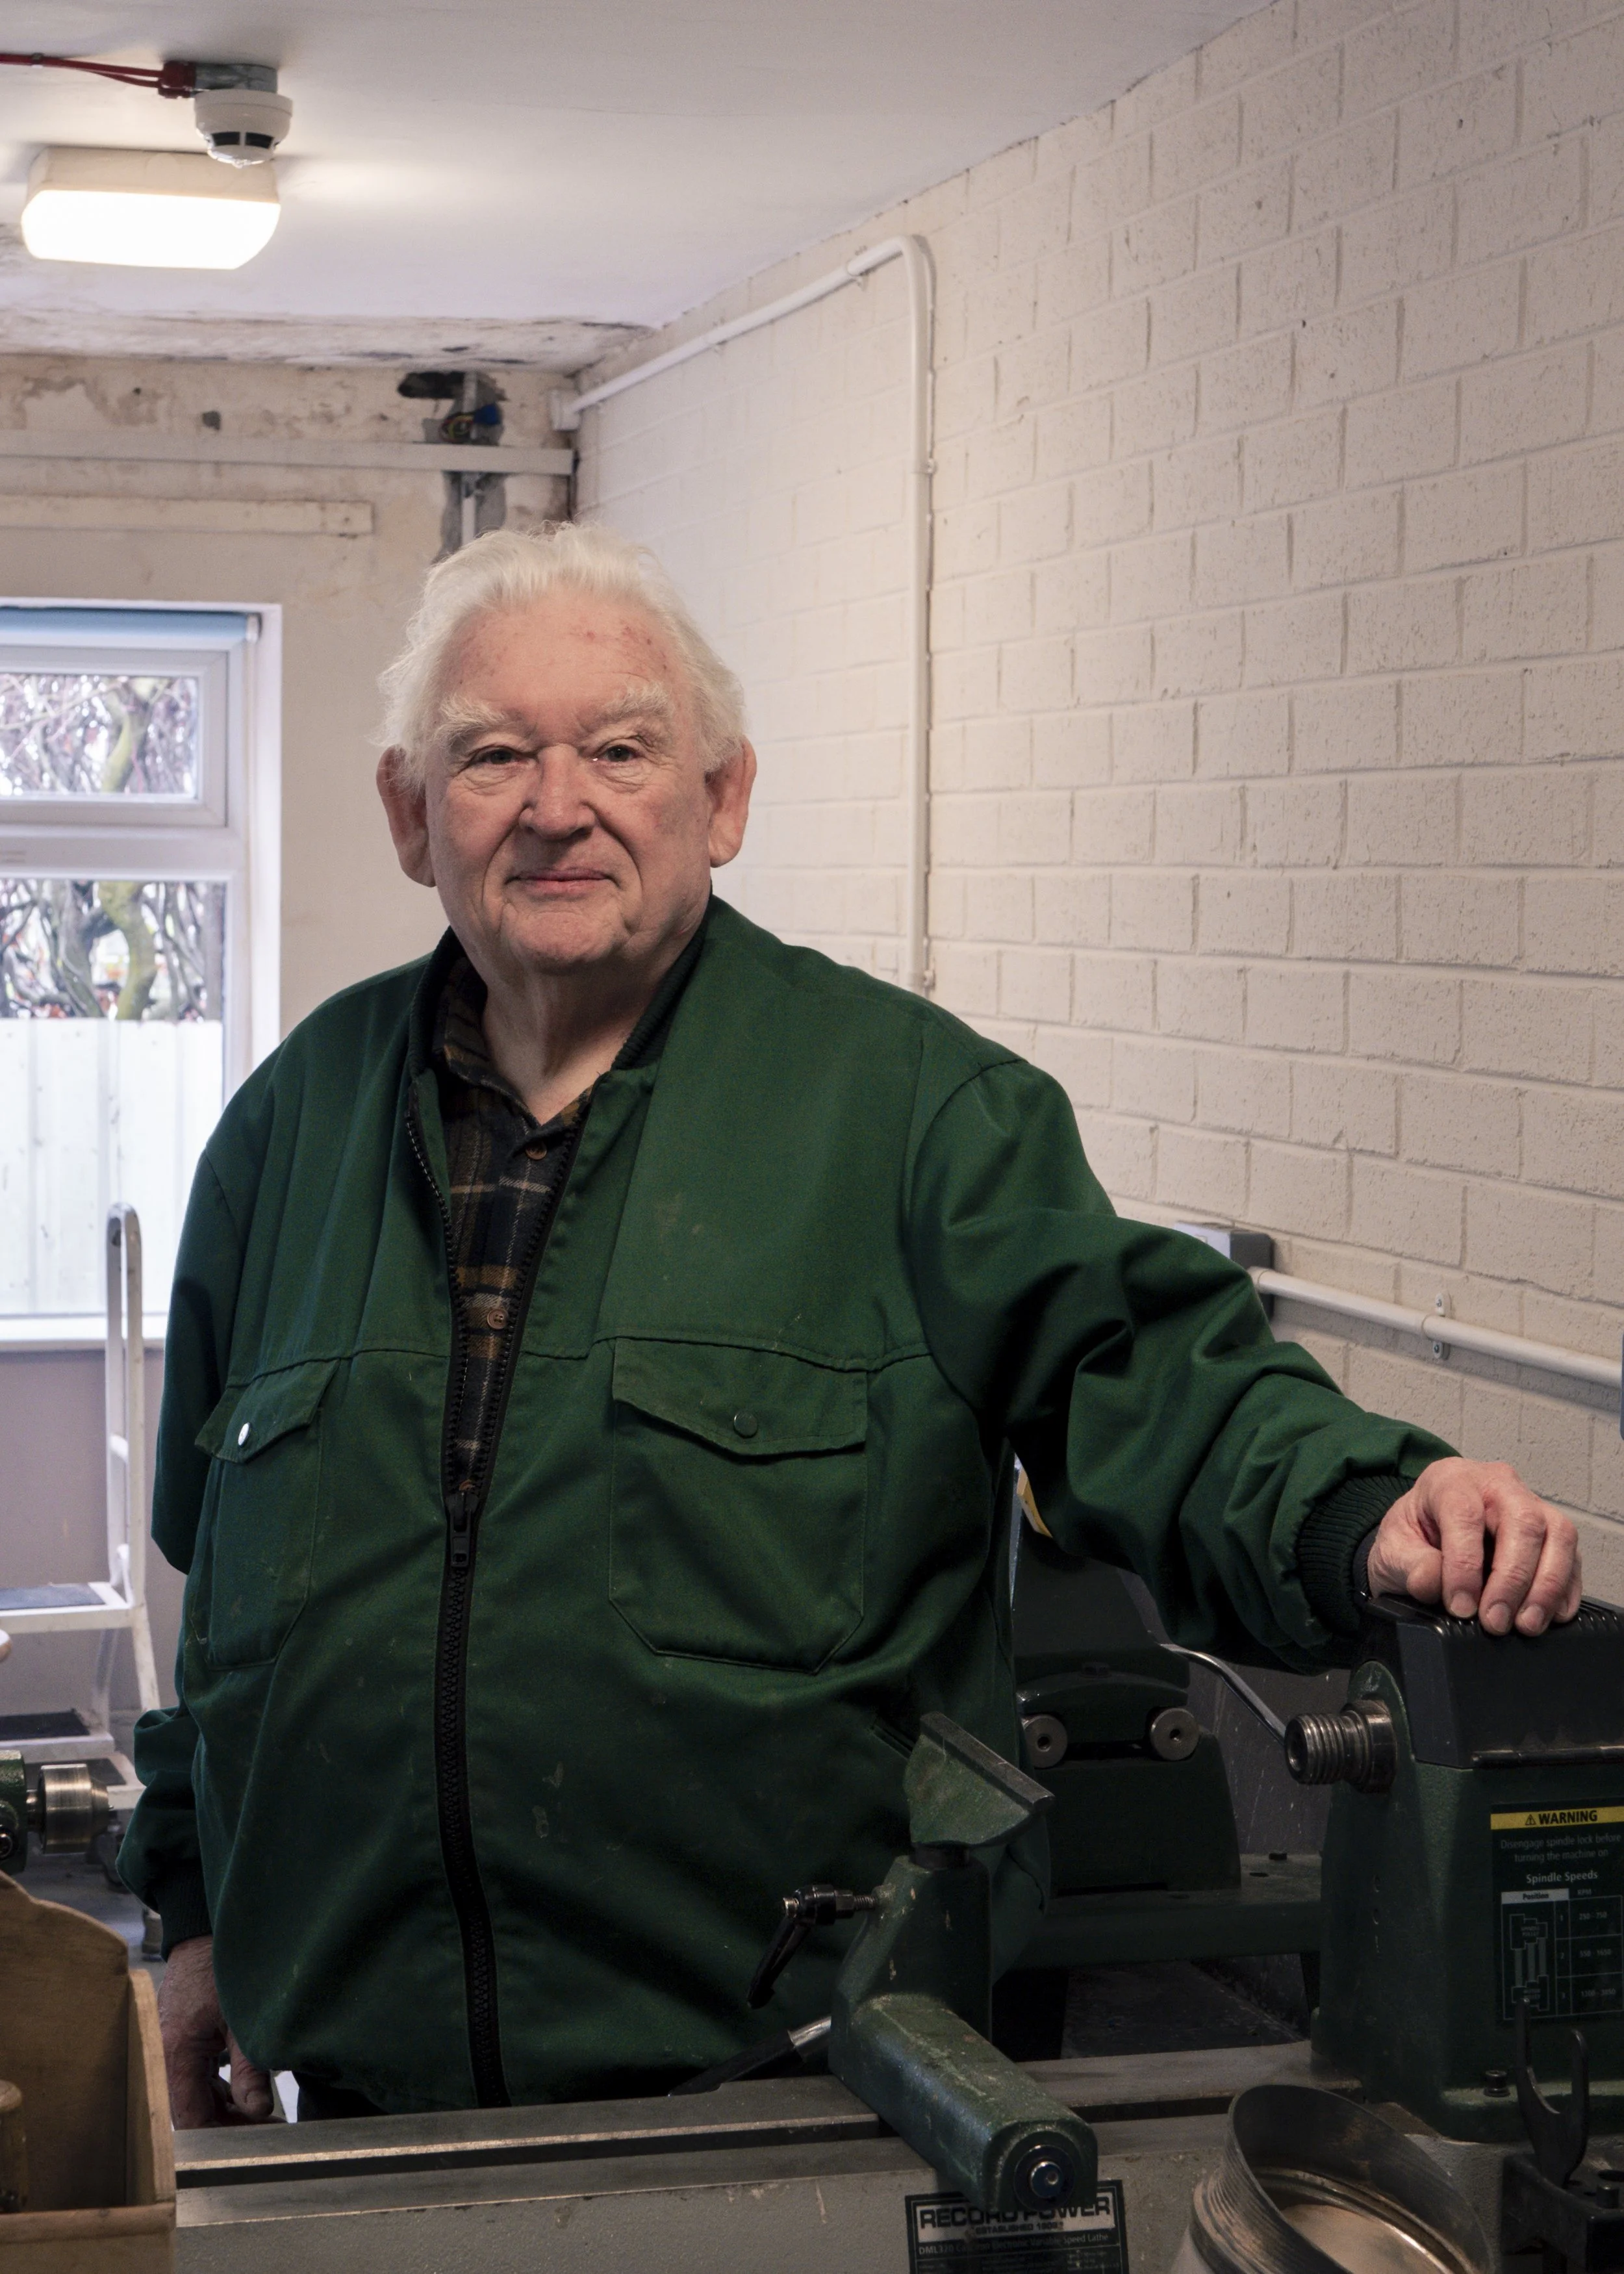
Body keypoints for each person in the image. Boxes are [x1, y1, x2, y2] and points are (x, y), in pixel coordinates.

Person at [121, 523, 1582, 2128]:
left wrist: (1363, 1504)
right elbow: (225, 1618)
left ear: (721, 798)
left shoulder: (909, 1112)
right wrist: (190, 1930)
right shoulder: (283, 1138)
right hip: (354, 2121)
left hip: (789, 2099)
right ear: (412, 816)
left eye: (619, 747)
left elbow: (1145, 1374)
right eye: (492, 757)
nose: (557, 805)